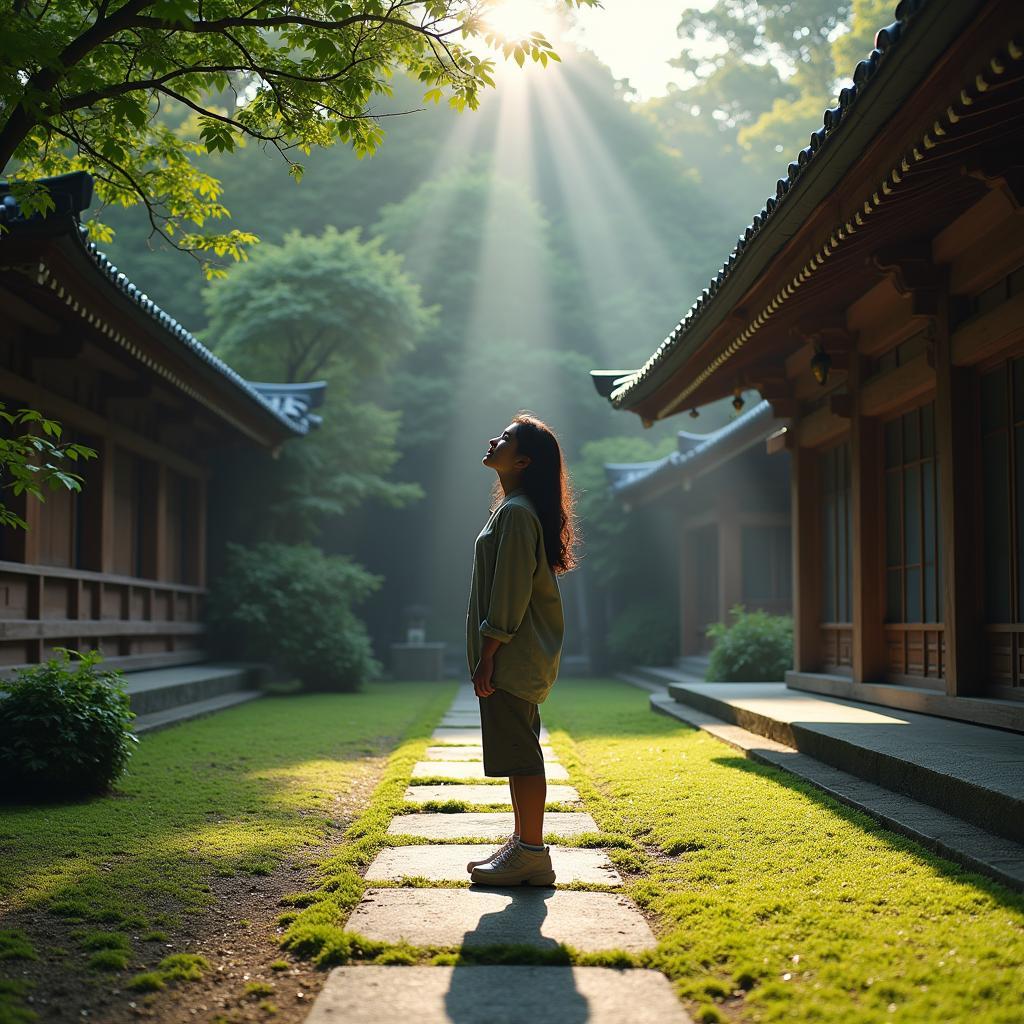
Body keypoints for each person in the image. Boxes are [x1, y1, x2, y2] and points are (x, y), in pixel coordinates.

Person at [465, 411, 577, 886]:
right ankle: (524, 843)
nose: (494, 440)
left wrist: (489, 654)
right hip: (521, 653)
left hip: (513, 654)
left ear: (524, 460)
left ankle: (532, 852)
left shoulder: (515, 514)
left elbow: (508, 592)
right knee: (518, 750)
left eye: (505, 439)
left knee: (522, 753)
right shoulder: (516, 510)